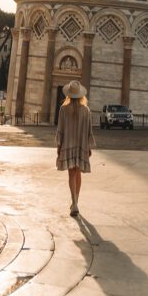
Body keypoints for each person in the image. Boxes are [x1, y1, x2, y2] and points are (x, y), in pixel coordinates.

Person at [56, 80, 95, 217]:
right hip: (81, 146)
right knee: (78, 173)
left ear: (69, 95)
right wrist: (89, 147)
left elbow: (60, 130)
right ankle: (76, 202)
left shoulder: (63, 109)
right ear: (80, 95)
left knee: (71, 174)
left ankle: (74, 203)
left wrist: (59, 146)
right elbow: (89, 131)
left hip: (67, 145)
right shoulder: (86, 110)